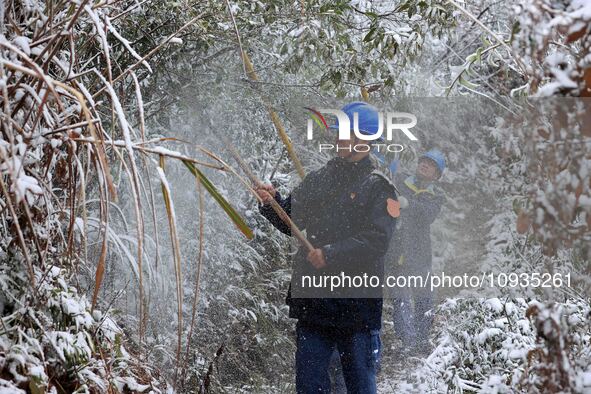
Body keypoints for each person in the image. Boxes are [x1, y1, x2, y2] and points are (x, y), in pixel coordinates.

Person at [255, 102, 398, 393]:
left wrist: (331, 254)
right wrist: (272, 203)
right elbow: (290, 221)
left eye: (344, 133)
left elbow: (377, 241)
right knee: (310, 385)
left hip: (357, 306)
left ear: (363, 140)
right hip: (314, 303)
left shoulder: (382, 188)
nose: (337, 139)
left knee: (359, 384)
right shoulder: (320, 179)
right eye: (338, 133)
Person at [388, 150, 445, 354]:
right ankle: (408, 342)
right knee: (400, 299)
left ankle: (422, 341)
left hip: (419, 254)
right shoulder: (400, 180)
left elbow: (426, 215)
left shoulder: (436, 196)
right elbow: (390, 206)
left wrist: (408, 203)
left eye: (431, 164)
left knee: (424, 299)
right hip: (396, 252)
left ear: (437, 175)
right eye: (424, 161)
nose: (425, 165)